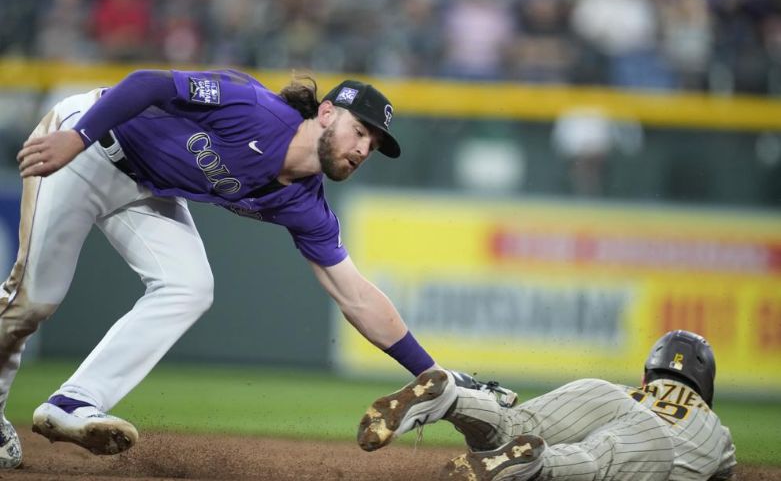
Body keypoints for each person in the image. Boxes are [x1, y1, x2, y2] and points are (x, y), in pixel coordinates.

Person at [0, 69, 442, 468]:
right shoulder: (253, 109)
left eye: (374, 144)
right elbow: (148, 84)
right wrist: (77, 136)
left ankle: (74, 402)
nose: (363, 148)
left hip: (147, 186)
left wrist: (431, 375)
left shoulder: (305, 202)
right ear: (327, 113)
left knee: (189, 287)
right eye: (360, 130)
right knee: (33, 302)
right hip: (89, 145)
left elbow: (356, 295)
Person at [357, 330, 737, 481]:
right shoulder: (717, 433)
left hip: (602, 393)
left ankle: (451, 398)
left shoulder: (632, 390)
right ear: (707, 384)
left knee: (512, 422)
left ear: (647, 375)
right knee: (594, 459)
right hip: (652, 439)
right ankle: (534, 466)